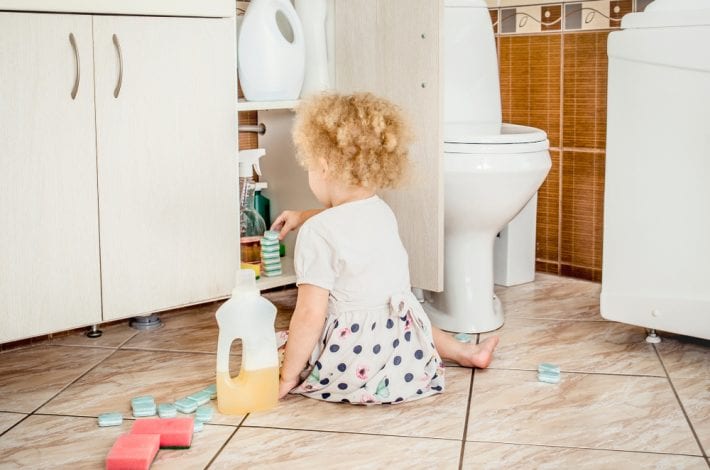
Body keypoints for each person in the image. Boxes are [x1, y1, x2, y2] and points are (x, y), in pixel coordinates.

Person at [273, 92, 499, 404]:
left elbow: (310, 314)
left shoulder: (317, 234)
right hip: (404, 349)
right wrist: (302, 215)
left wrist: (287, 375)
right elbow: (347, 221)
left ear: (323, 167)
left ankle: (300, 369)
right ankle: (466, 352)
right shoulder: (381, 210)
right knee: (403, 305)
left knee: (284, 343)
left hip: (353, 361)